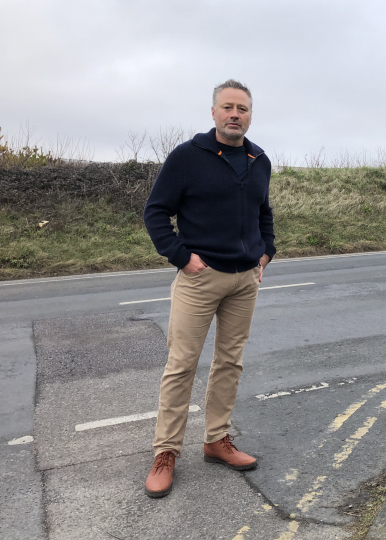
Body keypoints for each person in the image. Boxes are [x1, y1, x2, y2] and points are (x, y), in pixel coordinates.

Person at [142, 79, 276, 498]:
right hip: (200, 278)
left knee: (229, 363)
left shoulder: (259, 159)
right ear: (214, 112)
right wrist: (182, 257)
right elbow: (156, 212)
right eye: (228, 107)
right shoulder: (187, 156)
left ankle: (217, 440)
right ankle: (166, 452)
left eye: (243, 108)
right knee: (181, 364)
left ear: (250, 114)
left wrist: (266, 251)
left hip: (243, 280)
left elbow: (263, 212)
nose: (236, 114)